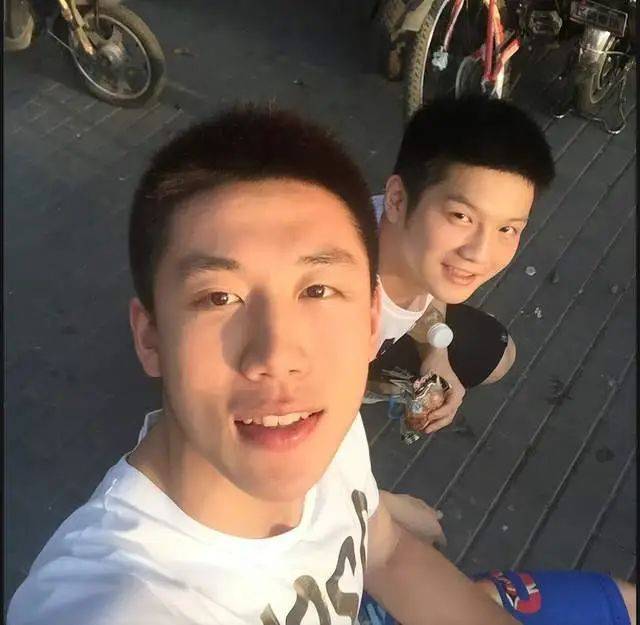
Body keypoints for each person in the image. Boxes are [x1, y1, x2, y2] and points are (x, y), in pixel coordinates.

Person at [7, 106, 516, 625]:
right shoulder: (119, 600)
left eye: (318, 291)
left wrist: (383, 512)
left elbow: (384, 551)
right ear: (150, 337)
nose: (278, 359)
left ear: (371, 323)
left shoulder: (327, 433)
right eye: (219, 298)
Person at [359, 95, 636, 625]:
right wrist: (385, 504)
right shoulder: (336, 314)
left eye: (508, 228)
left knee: (497, 354)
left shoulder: (396, 237)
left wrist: (437, 352)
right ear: (398, 198)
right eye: (461, 216)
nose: (480, 253)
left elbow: (423, 293)